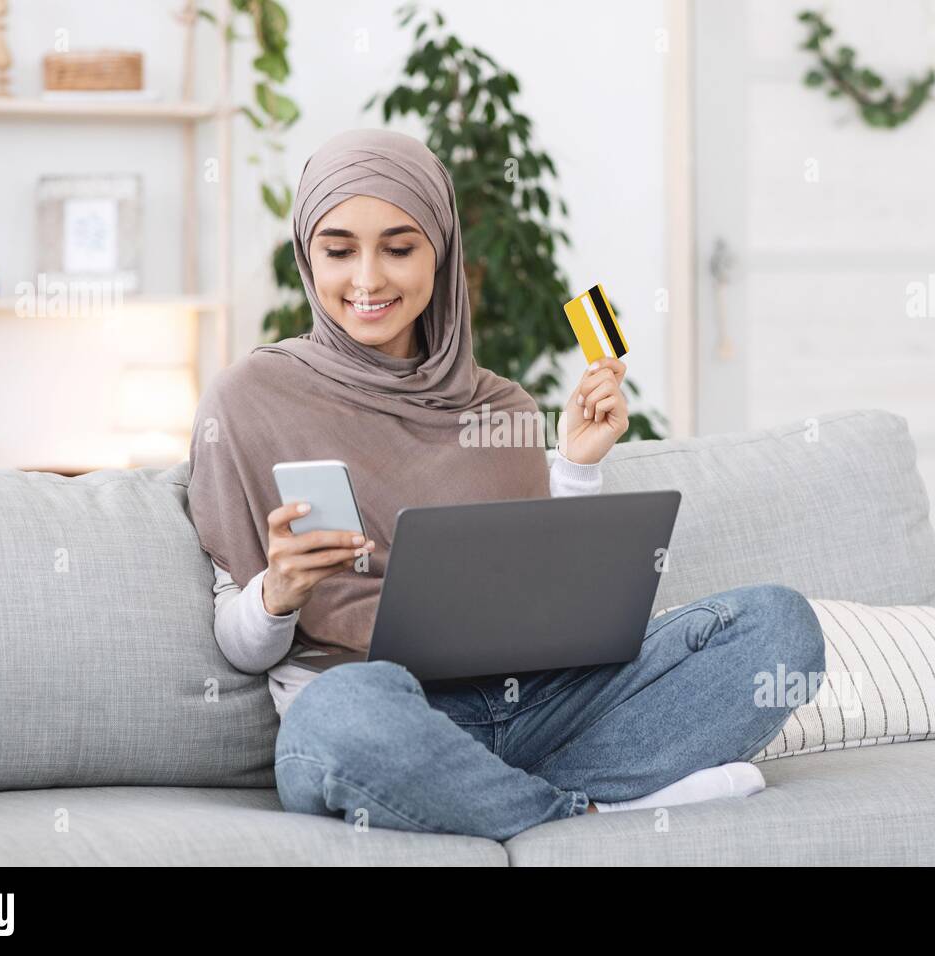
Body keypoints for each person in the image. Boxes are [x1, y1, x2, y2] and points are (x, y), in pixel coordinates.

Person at [187, 128, 825, 841]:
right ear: (309, 257)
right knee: (333, 723)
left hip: (542, 704)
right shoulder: (248, 399)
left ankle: (500, 799)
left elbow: (548, 597)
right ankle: (592, 811)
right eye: (339, 251)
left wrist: (576, 467)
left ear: (442, 252)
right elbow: (240, 647)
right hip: (389, 710)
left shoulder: (502, 408)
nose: (366, 279)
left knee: (778, 625)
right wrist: (278, 594)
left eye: (398, 248)